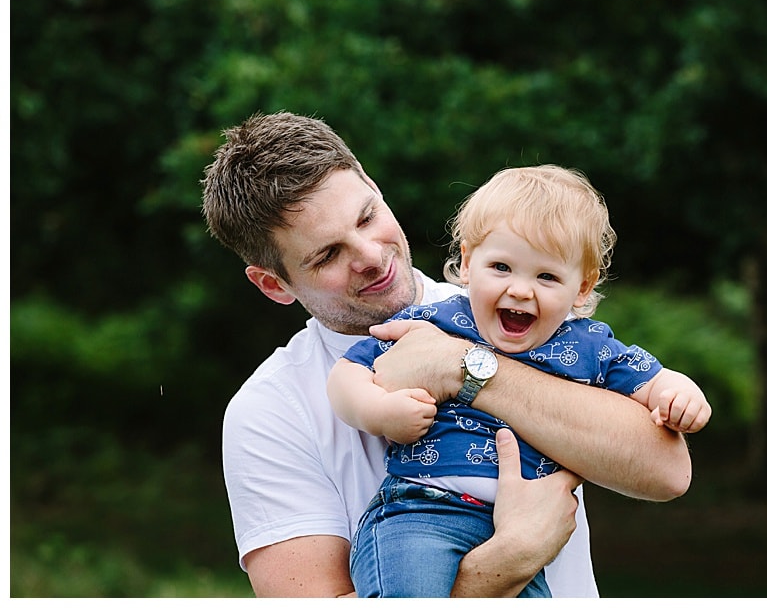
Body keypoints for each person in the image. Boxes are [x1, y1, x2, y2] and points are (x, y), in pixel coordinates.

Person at [201, 111, 695, 598]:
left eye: (368, 216)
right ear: (273, 284)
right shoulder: (269, 412)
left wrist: (465, 370)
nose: (371, 255)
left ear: (373, 186)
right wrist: (508, 562)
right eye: (328, 254)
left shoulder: (513, 310)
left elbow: (667, 471)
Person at [328, 165, 710, 597]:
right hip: (421, 512)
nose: (521, 290)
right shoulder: (438, 322)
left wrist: (681, 395)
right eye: (501, 267)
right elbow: (349, 372)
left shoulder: (588, 346)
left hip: (524, 535)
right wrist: (377, 412)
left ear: (581, 289)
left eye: (546, 276)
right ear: (468, 263)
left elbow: (654, 382)